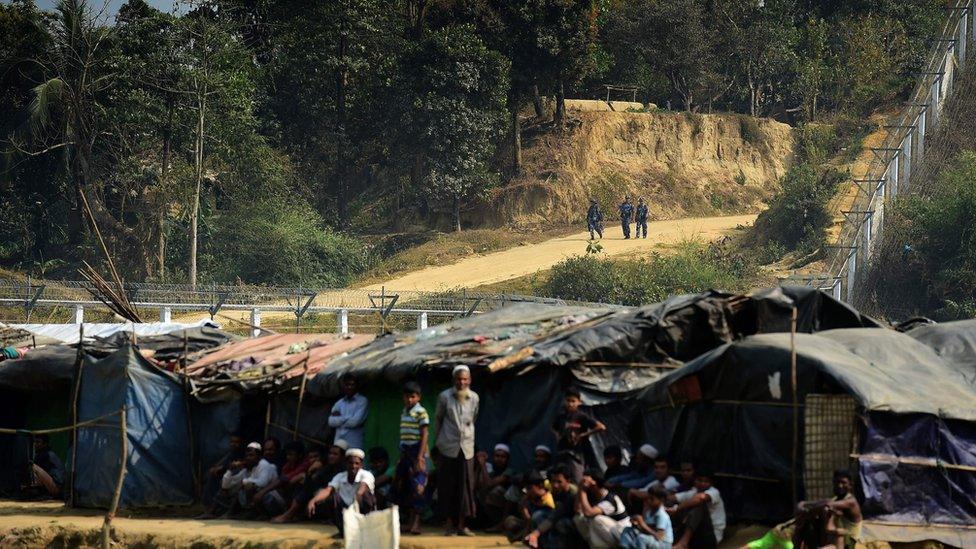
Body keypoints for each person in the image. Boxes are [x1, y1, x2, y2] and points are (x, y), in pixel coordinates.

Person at [434, 364, 480, 536]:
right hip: (447, 445)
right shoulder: (445, 397)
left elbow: (473, 418)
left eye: (465, 379)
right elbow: (438, 419)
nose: (462, 382)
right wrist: (437, 443)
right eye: (459, 379)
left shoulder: (474, 397)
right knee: (447, 484)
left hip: (466, 447)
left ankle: (462, 525)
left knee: (465, 485)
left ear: (469, 380)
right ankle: (449, 525)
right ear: (454, 380)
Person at [271, 441, 347, 523]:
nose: (331, 456)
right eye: (330, 454)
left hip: (337, 501)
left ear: (342, 457)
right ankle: (293, 514)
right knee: (304, 486)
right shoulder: (327, 468)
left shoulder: (344, 470)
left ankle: (289, 514)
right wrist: (310, 472)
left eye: (335, 454)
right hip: (322, 499)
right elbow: (312, 483)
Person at [307, 448, 376, 538]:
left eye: (356, 463)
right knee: (332, 497)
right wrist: (313, 501)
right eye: (350, 463)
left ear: (361, 465)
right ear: (346, 463)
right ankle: (343, 531)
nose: (353, 466)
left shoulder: (367, 474)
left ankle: (365, 530)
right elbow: (328, 490)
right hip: (345, 509)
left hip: (360, 507)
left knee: (366, 496)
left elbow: (362, 489)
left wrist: (355, 504)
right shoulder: (340, 476)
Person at [393, 380, 430, 535]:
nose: (410, 400)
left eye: (413, 397)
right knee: (405, 486)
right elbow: (404, 435)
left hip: (416, 451)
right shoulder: (404, 411)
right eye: (407, 397)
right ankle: (409, 522)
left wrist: (420, 457)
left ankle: (416, 524)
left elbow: (424, 434)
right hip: (406, 452)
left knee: (418, 487)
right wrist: (401, 455)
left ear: (418, 397)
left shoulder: (421, 412)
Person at [793, 470, 862, 549]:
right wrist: (803, 504)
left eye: (843, 483)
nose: (840, 485)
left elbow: (826, 504)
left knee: (824, 510)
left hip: (848, 542)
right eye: (837, 482)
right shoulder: (836, 499)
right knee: (807, 526)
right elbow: (820, 502)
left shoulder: (851, 502)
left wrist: (805, 510)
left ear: (850, 485)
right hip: (833, 537)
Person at [552, 386, 605, 483]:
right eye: (568, 401)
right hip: (562, 452)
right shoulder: (561, 417)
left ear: (579, 402)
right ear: (564, 401)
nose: (570, 404)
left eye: (573, 401)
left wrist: (583, 435)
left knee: (577, 479)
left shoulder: (581, 416)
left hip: (577, 454)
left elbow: (601, 427)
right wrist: (558, 436)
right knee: (561, 480)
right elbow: (553, 427)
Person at [524, 465, 585, 549]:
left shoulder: (573, 494)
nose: (555, 485)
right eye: (553, 481)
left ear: (568, 480)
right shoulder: (556, 490)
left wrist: (536, 533)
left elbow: (556, 515)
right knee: (538, 516)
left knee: (560, 524)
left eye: (559, 482)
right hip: (560, 516)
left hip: (577, 526)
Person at [667, 470, 725, 549]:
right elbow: (672, 498)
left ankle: (683, 543)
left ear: (711, 483)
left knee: (698, 505)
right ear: (694, 480)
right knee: (672, 505)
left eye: (706, 481)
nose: (702, 483)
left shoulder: (714, 492)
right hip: (696, 536)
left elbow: (700, 499)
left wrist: (677, 508)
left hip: (711, 536)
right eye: (700, 480)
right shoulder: (693, 492)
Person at [574, 469, 629, 549]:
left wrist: (583, 490)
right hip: (606, 533)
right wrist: (580, 489)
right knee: (578, 518)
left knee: (596, 519)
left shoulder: (611, 499)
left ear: (594, 482)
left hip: (622, 533)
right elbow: (577, 510)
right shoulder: (591, 495)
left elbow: (589, 513)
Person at [259, 441, 310, 518]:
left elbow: (284, 479)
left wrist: (262, 492)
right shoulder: (286, 466)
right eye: (287, 454)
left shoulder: (305, 464)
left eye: (291, 455)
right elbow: (284, 482)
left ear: (299, 455)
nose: (288, 457)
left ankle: (289, 515)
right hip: (287, 496)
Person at [503, 471, 556, 542]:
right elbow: (528, 520)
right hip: (531, 525)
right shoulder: (531, 497)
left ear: (540, 485)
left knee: (536, 516)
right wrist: (524, 506)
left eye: (529, 488)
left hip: (544, 527)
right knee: (510, 521)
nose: (527, 491)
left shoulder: (548, 499)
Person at [234, 441, 279, 518]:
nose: (248, 458)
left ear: (259, 456)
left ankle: (264, 514)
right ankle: (252, 512)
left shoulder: (264, 465)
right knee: (241, 487)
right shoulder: (254, 467)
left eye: (251, 455)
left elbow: (262, 483)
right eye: (247, 456)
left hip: (274, 499)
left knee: (250, 486)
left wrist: (244, 482)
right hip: (263, 496)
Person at [478, 443, 515, 530]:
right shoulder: (493, 471)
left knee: (497, 491)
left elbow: (489, 484)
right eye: (497, 456)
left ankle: (502, 523)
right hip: (495, 506)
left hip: (509, 506)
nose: (499, 459)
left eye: (503, 457)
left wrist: (483, 465)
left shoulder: (509, 471)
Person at [203, 432, 244, 506]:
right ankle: (209, 505)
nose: (233, 444)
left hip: (235, 477)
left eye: (236, 442)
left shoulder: (241, 453)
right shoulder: (231, 453)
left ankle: (212, 506)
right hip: (227, 475)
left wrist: (221, 468)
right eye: (232, 442)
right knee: (211, 476)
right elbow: (224, 463)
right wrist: (217, 468)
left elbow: (235, 466)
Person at [328, 374, 368, 451]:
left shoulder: (362, 401)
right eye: (347, 384)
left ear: (357, 386)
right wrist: (349, 417)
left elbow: (354, 422)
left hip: (353, 442)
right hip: (339, 441)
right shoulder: (340, 403)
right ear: (343, 386)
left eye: (352, 385)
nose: (349, 387)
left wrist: (339, 419)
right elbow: (331, 422)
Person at [29, 434, 64, 499]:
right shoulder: (42, 453)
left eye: (38, 442)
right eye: (35, 442)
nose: (35, 444)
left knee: (32, 466)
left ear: (45, 444)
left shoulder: (47, 454)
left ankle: (41, 493)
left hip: (57, 487)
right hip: (53, 485)